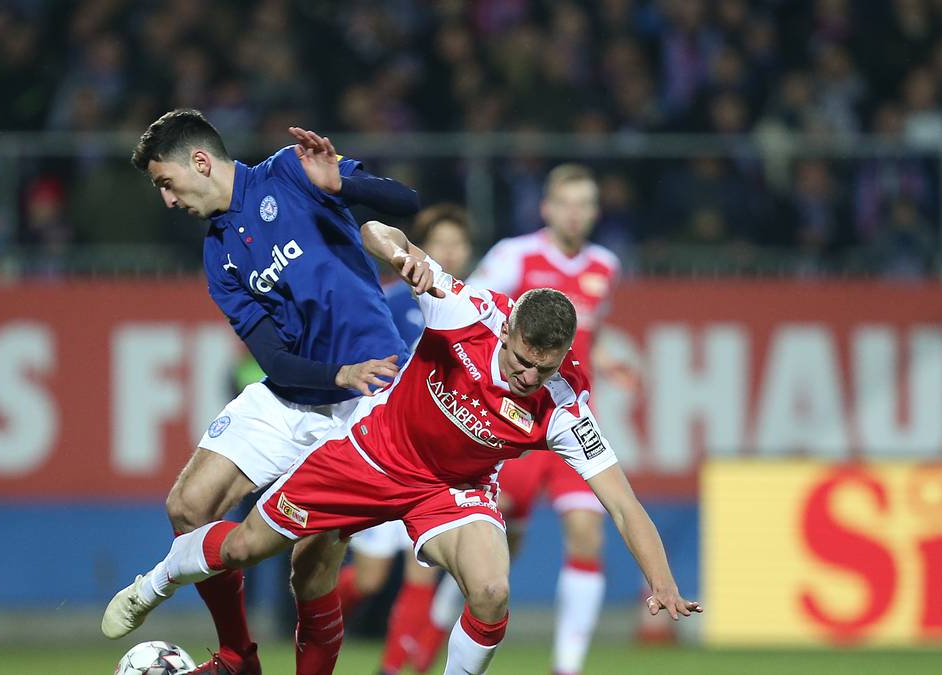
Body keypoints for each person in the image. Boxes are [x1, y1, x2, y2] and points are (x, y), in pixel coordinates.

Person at [104, 220, 700, 675]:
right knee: (241, 548)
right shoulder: (465, 309)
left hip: (451, 491)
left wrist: (662, 583)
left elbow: (623, 504)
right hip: (370, 456)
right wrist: (399, 254)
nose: (526, 377)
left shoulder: (567, 404)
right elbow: (372, 230)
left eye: (540, 370)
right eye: (519, 361)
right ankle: (154, 582)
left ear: (562, 356)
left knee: (491, 589)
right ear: (511, 327)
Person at [102, 109, 421, 675]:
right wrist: (333, 375)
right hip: (299, 390)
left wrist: (343, 184)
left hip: (367, 398)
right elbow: (272, 357)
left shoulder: (290, 173)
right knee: (188, 505)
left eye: (166, 183)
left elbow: (405, 202)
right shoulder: (217, 254)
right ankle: (237, 657)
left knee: (310, 567)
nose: (168, 201)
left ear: (200, 161)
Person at [416, 164, 628, 674]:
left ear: (595, 213)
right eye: (566, 203)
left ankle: (567, 666)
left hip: (569, 420)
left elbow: (584, 340)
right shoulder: (516, 255)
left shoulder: (606, 265)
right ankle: (444, 612)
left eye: (585, 204)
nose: (575, 213)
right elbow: (477, 317)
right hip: (514, 421)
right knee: (501, 532)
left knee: (586, 533)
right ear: (548, 208)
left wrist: (613, 361)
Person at [336, 204, 473, 674]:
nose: (451, 251)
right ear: (420, 250)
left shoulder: (476, 309)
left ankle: (392, 670)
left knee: (422, 571)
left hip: (434, 463)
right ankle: (318, 610)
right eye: (441, 242)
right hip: (384, 449)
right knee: (371, 579)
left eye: (459, 242)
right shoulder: (393, 302)